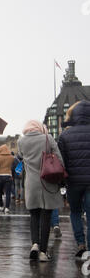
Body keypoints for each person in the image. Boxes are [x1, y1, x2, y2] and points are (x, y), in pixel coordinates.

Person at [17, 120, 64, 262]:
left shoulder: (21, 141)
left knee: (34, 216)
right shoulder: (47, 138)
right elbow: (60, 160)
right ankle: (43, 252)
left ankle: (34, 244)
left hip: (31, 184)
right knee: (46, 217)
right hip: (47, 183)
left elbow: (20, 157)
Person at [58, 100, 90, 260]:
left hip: (74, 181)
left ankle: (80, 244)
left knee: (75, 212)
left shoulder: (65, 135)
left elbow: (61, 161)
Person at [0, 144, 15, 214]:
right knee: (8, 193)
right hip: (8, 176)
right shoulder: (11, 157)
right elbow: (15, 165)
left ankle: (1, 206)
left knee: (0, 193)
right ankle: (7, 207)